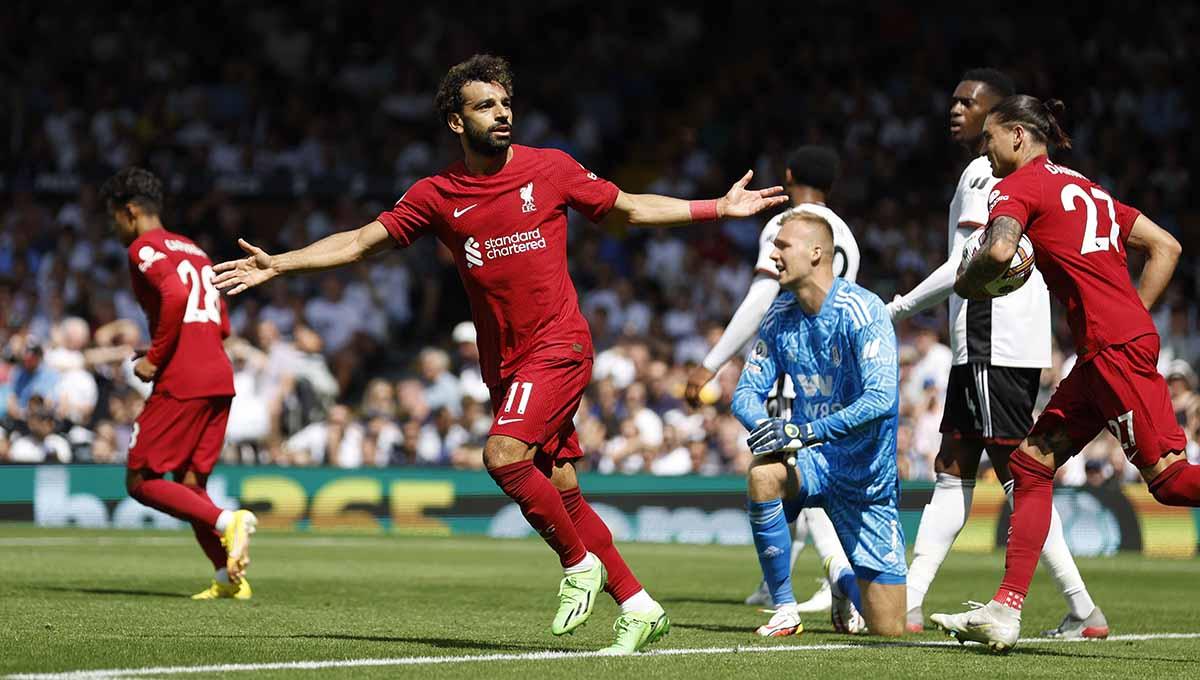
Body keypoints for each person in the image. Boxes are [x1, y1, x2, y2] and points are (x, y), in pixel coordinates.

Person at [212, 54, 786, 654]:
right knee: (562, 488)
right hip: (507, 364)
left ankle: (576, 565)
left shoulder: (551, 168)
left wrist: (715, 208)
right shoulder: (437, 194)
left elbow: (629, 207)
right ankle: (640, 606)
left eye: (506, 103)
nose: (502, 113)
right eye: (486, 105)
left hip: (560, 345)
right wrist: (281, 262)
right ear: (456, 123)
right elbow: (361, 243)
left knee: (503, 455)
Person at [933, 95, 1199, 652]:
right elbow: (1165, 246)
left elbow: (1001, 247)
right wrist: (1130, 319)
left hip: (1113, 349)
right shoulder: (1090, 189)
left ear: (1017, 136)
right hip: (1109, 347)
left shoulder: (1016, 186)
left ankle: (1010, 609)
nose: (986, 151)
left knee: (1171, 481)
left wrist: (969, 280)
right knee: (1031, 466)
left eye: (990, 139)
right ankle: (1005, 612)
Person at [887, 69, 1104, 637]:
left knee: (1022, 476)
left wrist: (898, 309)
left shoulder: (989, 173)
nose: (956, 109)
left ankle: (1081, 607)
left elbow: (971, 258)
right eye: (953, 99)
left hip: (992, 340)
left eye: (969, 102)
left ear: (1001, 118)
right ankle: (908, 602)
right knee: (952, 471)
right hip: (989, 344)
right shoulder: (1036, 175)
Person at [685, 146, 861, 616]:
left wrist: (712, 362)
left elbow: (763, 297)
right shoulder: (843, 233)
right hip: (835, 374)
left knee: (782, 477)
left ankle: (834, 572)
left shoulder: (789, 227)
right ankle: (811, 578)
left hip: (791, 368)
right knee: (811, 479)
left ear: (786, 176)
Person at [732, 209, 905, 638]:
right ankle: (785, 608)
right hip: (813, 463)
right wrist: (771, 431)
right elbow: (744, 395)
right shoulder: (779, 317)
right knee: (763, 475)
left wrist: (803, 431)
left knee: (890, 629)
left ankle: (843, 583)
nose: (772, 255)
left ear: (815, 253)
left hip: (868, 480)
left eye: (781, 246)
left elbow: (880, 399)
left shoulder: (863, 310)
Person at [99, 167, 257, 600]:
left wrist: (155, 357)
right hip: (218, 375)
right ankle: (228, 579)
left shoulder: (142, 248)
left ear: (129, 211)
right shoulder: (195, 250)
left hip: (182, 377)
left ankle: (229, 522)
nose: (113, 226)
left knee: (141, 480)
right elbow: (220, 324)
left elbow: (175, 296)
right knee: (190, 486)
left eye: (113, 217)